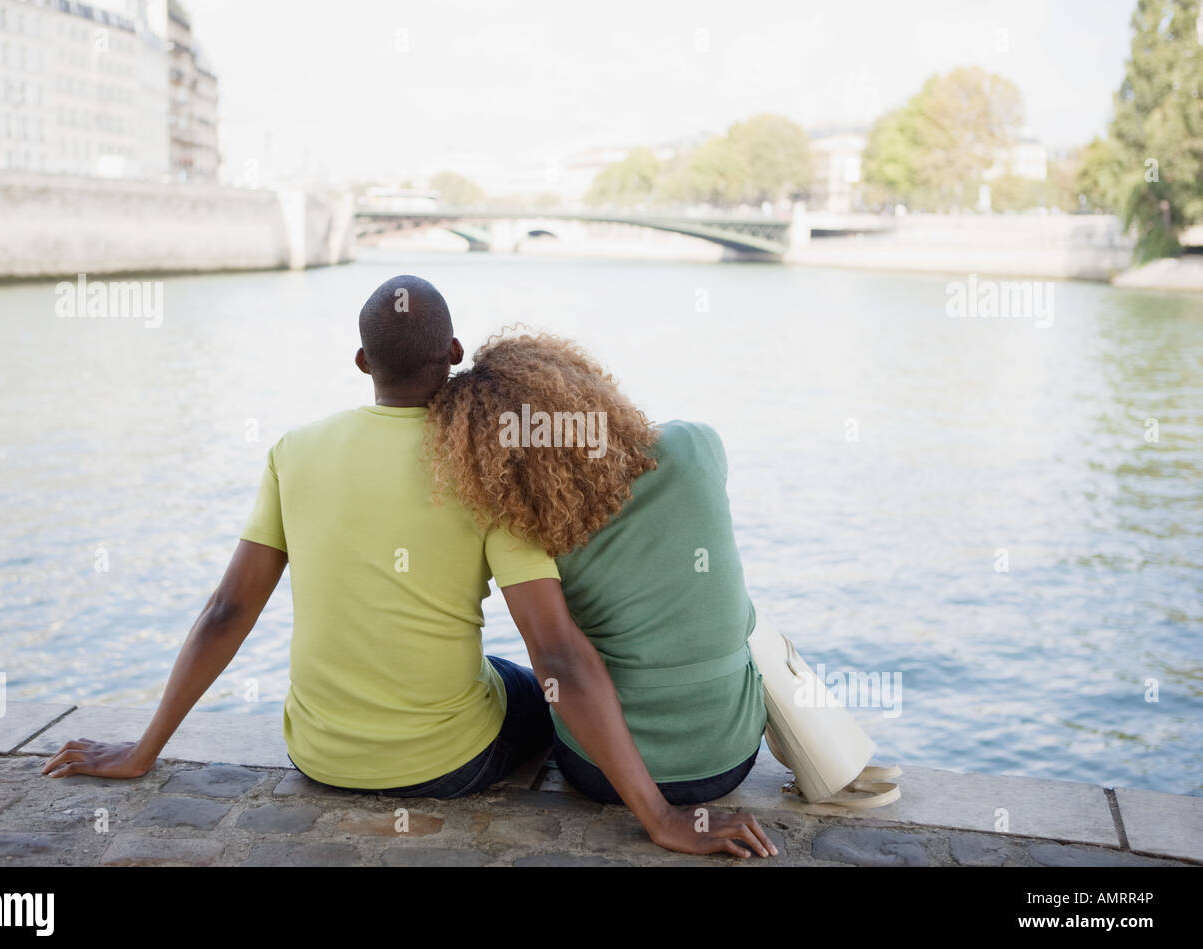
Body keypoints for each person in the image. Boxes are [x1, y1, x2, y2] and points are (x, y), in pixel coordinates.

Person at [41, 275, 772, 860]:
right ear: (453, 353)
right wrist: (662, 818)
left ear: (362, 362)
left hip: (318, 753)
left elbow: (227, 612)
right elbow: (558, 655)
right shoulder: (481, 474)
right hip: (451, 765)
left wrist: (144, 749)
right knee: (534, 684)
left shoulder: (293, 451)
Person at [425, 332, 767, 804]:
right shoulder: (698, 444)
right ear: (587, 388)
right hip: (733, 757)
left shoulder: (528, 525)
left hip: (601, 775)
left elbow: (559, 661)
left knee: (515, 680)